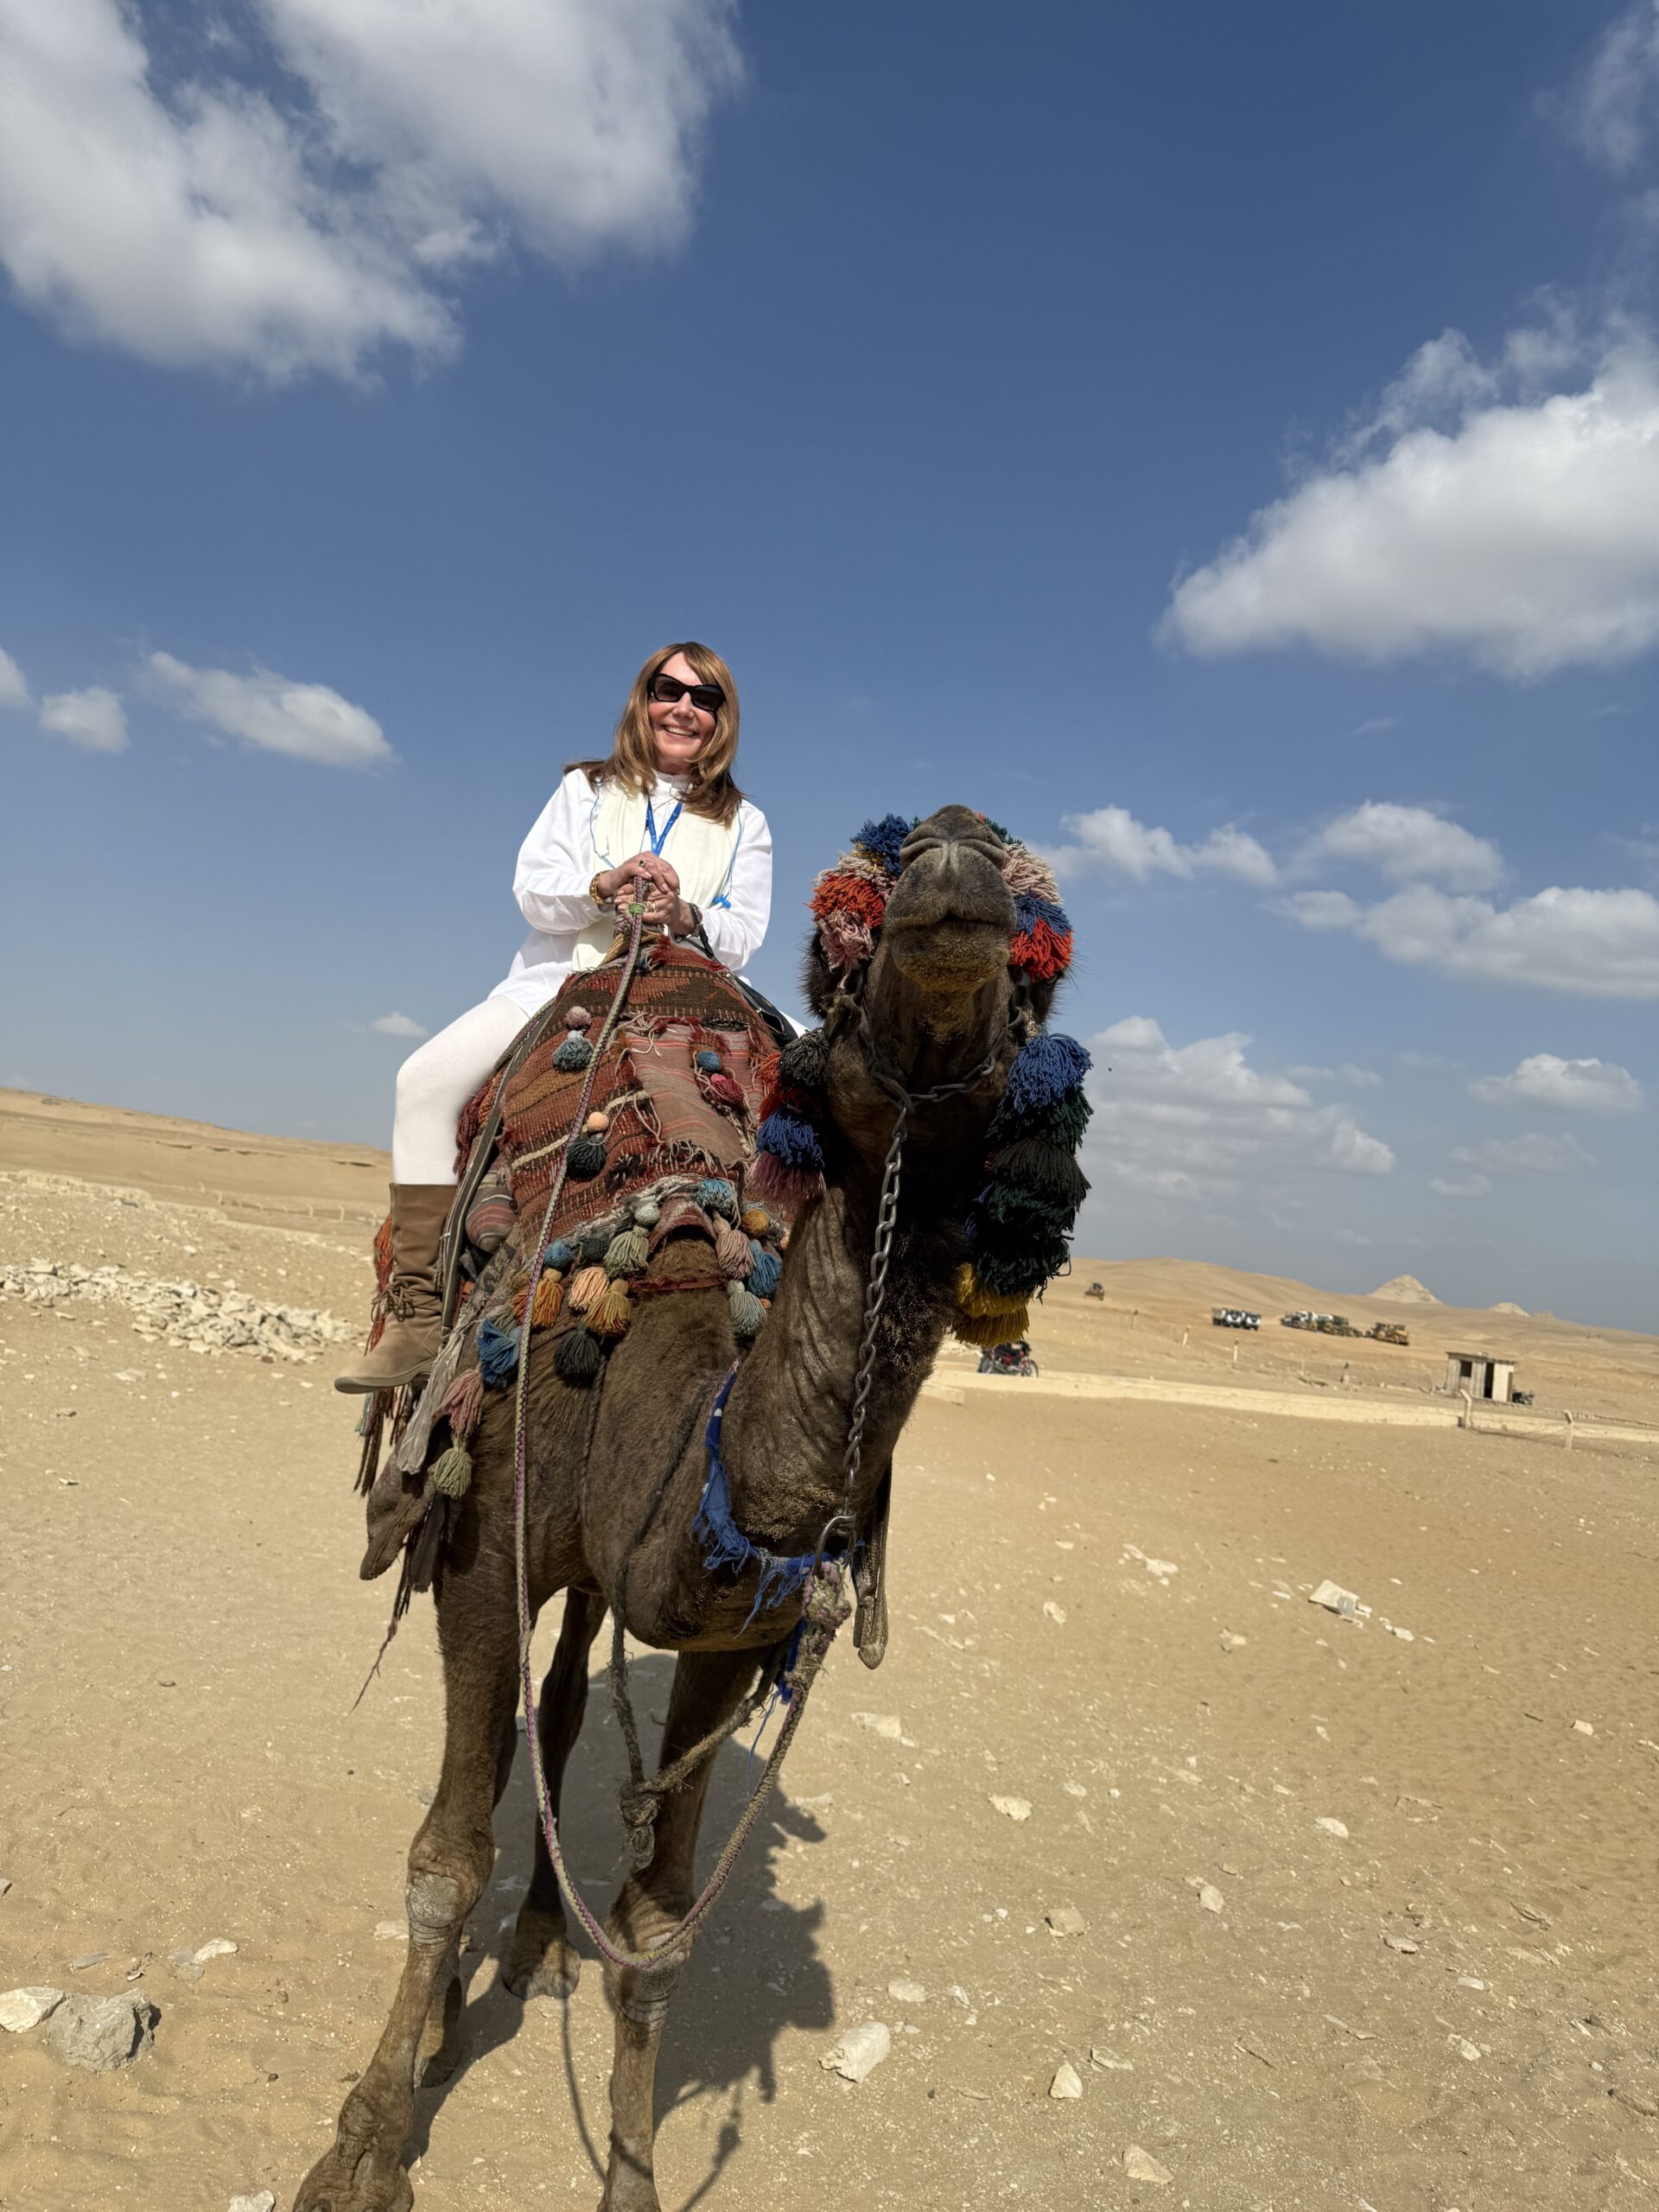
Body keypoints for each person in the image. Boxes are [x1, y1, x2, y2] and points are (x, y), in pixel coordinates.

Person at [334, 640, 772, 1395]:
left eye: (707, 700)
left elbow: (745, 933)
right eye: (670, 690)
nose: (685, 709)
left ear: (723, 719)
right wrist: (604, 886)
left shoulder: (745, 822)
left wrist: (685, 910)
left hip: (683, 994)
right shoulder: (586, 790)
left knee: (814, 1080)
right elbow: (533, 889)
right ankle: (415, 1307)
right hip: (561, 980)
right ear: (645, 699)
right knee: (423, 1081)